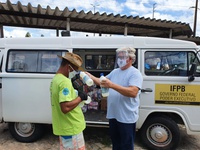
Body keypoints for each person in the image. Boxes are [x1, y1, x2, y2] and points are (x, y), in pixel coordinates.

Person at [86, 47, 143, 150]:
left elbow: (133, 92)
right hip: (113, 115)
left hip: (126, 117)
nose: (119, 59)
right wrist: (90, 76)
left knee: (126, 145)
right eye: (119, 57)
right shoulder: (115, 71)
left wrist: (111, 85)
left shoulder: (135, 73)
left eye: (122, 57)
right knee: (116, 143)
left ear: (130, 59)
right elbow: (102, 82)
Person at [50, 52, 88, 150]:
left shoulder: (56, 79)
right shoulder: (64, 82)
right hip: (71, 127)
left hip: (64, 126)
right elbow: (65, 107)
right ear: (68, 67)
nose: (75, 72)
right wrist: (81, 97)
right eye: (75, 69)